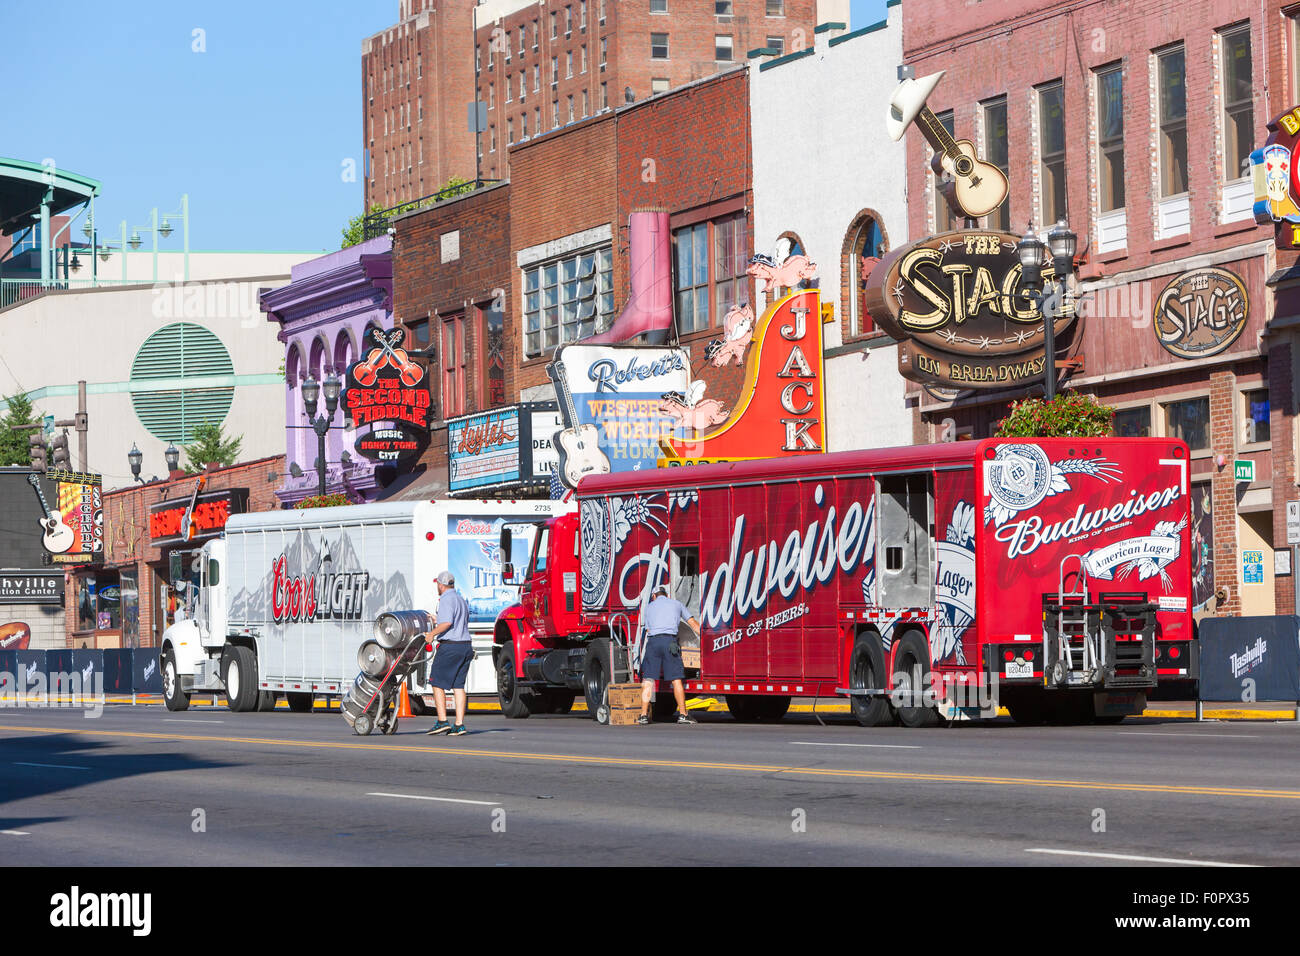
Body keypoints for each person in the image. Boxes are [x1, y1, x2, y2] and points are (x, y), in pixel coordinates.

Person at [638, 585, 701, 725]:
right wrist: (705, 638)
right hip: (669, 642)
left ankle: (643, 715)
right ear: (666, 595)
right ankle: (683, 715)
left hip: (653, 642)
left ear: (654, 596)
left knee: (648, 679)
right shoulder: (677, 604)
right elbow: (693, 624)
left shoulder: (649, 607)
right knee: (676, 679)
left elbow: (648, 630)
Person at [425, 571, 474, 736]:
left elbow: (447, 622)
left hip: (451, 646)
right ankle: (459, 724)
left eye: (437, 584)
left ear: (440, 584)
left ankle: (442, 721)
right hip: (465, 646)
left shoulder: (445, 599)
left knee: (436, 681)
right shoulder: (460, 599)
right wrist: (436, 619)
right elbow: (454, 620)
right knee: (458, 686)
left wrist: (432, 634)